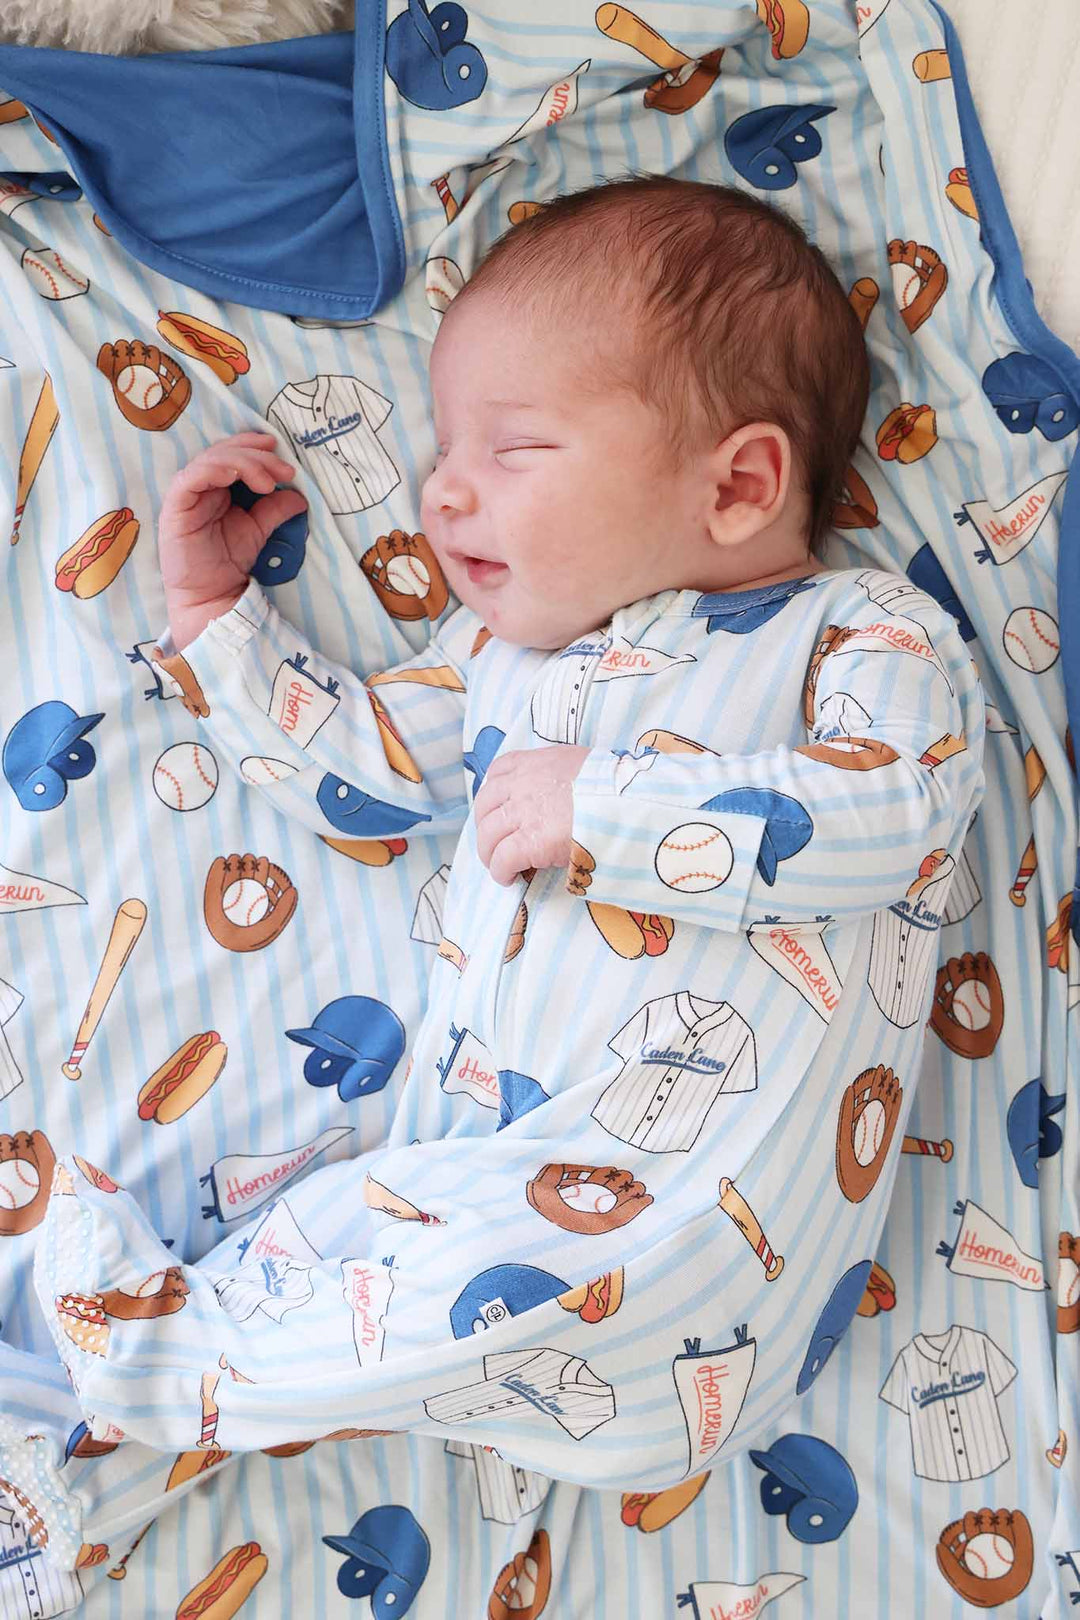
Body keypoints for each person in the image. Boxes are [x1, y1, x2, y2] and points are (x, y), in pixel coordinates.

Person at [35, 176, 985, 1489]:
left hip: (693, 1228)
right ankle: (96, 1461)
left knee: (400, 1292)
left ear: (741, 483)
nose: (441, 496)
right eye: (441, 452)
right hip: (478, 1191)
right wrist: (216, 623)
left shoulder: (861, 632)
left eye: (512, 451)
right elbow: (356, 773)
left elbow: (898, 813)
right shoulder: (499, 661)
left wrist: (606, 811)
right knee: (316, 1259)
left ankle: (142, 1363)